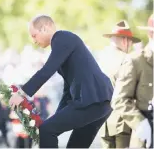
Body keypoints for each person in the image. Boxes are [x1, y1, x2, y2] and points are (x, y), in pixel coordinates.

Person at [8, 15, 113, 148]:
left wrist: (21, 93)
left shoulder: (62, 37)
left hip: (92, 101)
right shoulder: (62, 44)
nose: (33, 41)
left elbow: (47, 70)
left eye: (34, 35)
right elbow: (68, 90)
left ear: (45, 28)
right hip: (99, 102)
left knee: (46, 130)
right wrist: (57, 116)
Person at [111, 14, 153, 148]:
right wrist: (140, 123)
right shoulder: (136, 60)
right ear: (151, 34)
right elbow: (119, 100)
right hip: (142, 132)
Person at [98, 20, 141, 148]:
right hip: (122, 122)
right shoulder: (128, 60)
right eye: (131, 42)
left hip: (102, 121)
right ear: (125, 40)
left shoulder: (100, 60)